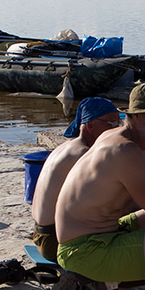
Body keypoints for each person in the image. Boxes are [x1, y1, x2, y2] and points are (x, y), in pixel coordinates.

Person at [54, 83, 145, 284]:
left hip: (103, 233)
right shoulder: (124, 151)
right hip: (85, 252)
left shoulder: (120, 138)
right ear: (136, 115)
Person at [30, 97, 121, 263]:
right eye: (111, 123)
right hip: (53, 241)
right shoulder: (82, 154)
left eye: (118, 123)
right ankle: (119, 288)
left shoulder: (67, 147)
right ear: (90, 125)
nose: (116, 129)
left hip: (42, 233)